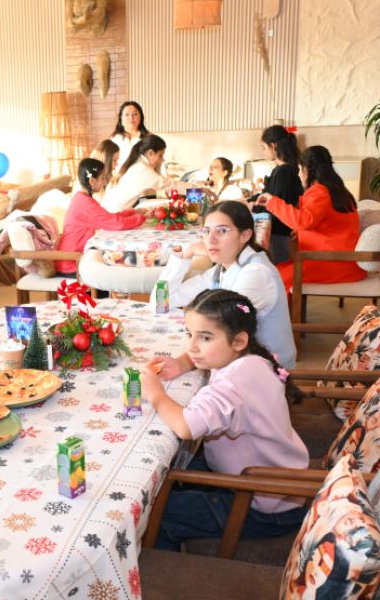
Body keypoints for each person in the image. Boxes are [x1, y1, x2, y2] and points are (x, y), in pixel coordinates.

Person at [141, 289, 309, 550]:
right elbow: (206, 355)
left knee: (154, 509)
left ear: (239, 340)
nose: (191, 347)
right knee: (166, 475)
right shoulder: (252, 360)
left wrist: (156, 394)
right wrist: (184, 363)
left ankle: (168, 568)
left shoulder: (233, 386)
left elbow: (186, 427)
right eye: (189, 334)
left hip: (261, 506)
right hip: (280, 486)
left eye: (205, 337)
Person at [149, 200, 296, 368]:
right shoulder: (221, 269)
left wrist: (182, 363)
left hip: (267, 370)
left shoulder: (255, 273)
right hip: (237, 361)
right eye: (206, 231)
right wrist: (185, 256)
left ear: (245, 235)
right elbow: (160, 302)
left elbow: (223, 329)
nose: (210, 240)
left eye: (222, 231)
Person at [256, 145, 365, 291]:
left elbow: (303, 221)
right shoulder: (337, 190)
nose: (298, 174)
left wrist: (272, 201)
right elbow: (326, 223)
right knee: (276, 274)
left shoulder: (319, 191)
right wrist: (301, 232)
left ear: (307, 170)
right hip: (345, 262)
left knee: (274, 280)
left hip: (331, 262)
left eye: (299, 169)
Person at [56, 158, 146, 277]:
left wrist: (134, 212)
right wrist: (142, 218)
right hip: (71, 263)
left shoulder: (82, 199)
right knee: (121, 267)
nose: (104, 182)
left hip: (71, 258)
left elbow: (109, 218)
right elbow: (117, 224)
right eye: (103, 178)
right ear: (92, 180)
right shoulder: (86, 205)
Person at [253, 126, 303, 263]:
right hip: (282, 231)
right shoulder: (288, 169)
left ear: (273, 146)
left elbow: (276, 204)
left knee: (278, 267)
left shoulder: (283, 172)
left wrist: (254, 207)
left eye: (264, 147)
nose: (263, 152)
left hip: (279, 233)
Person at [102, 134, 169, 212]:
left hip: (106, 212)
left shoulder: (136, 164)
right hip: (113, 215)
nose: (163, 160)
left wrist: (163, 196)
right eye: (160, 155)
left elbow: (146, 193)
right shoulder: (144, 169)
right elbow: (171, 186)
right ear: (150, 153)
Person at [110, 101, 150, 166]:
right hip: (120, 172)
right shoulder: (114, 138)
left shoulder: (149, 137)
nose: (131, 118)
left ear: (141, 117)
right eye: (127, 114)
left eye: (135, 114)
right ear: (121, 118)